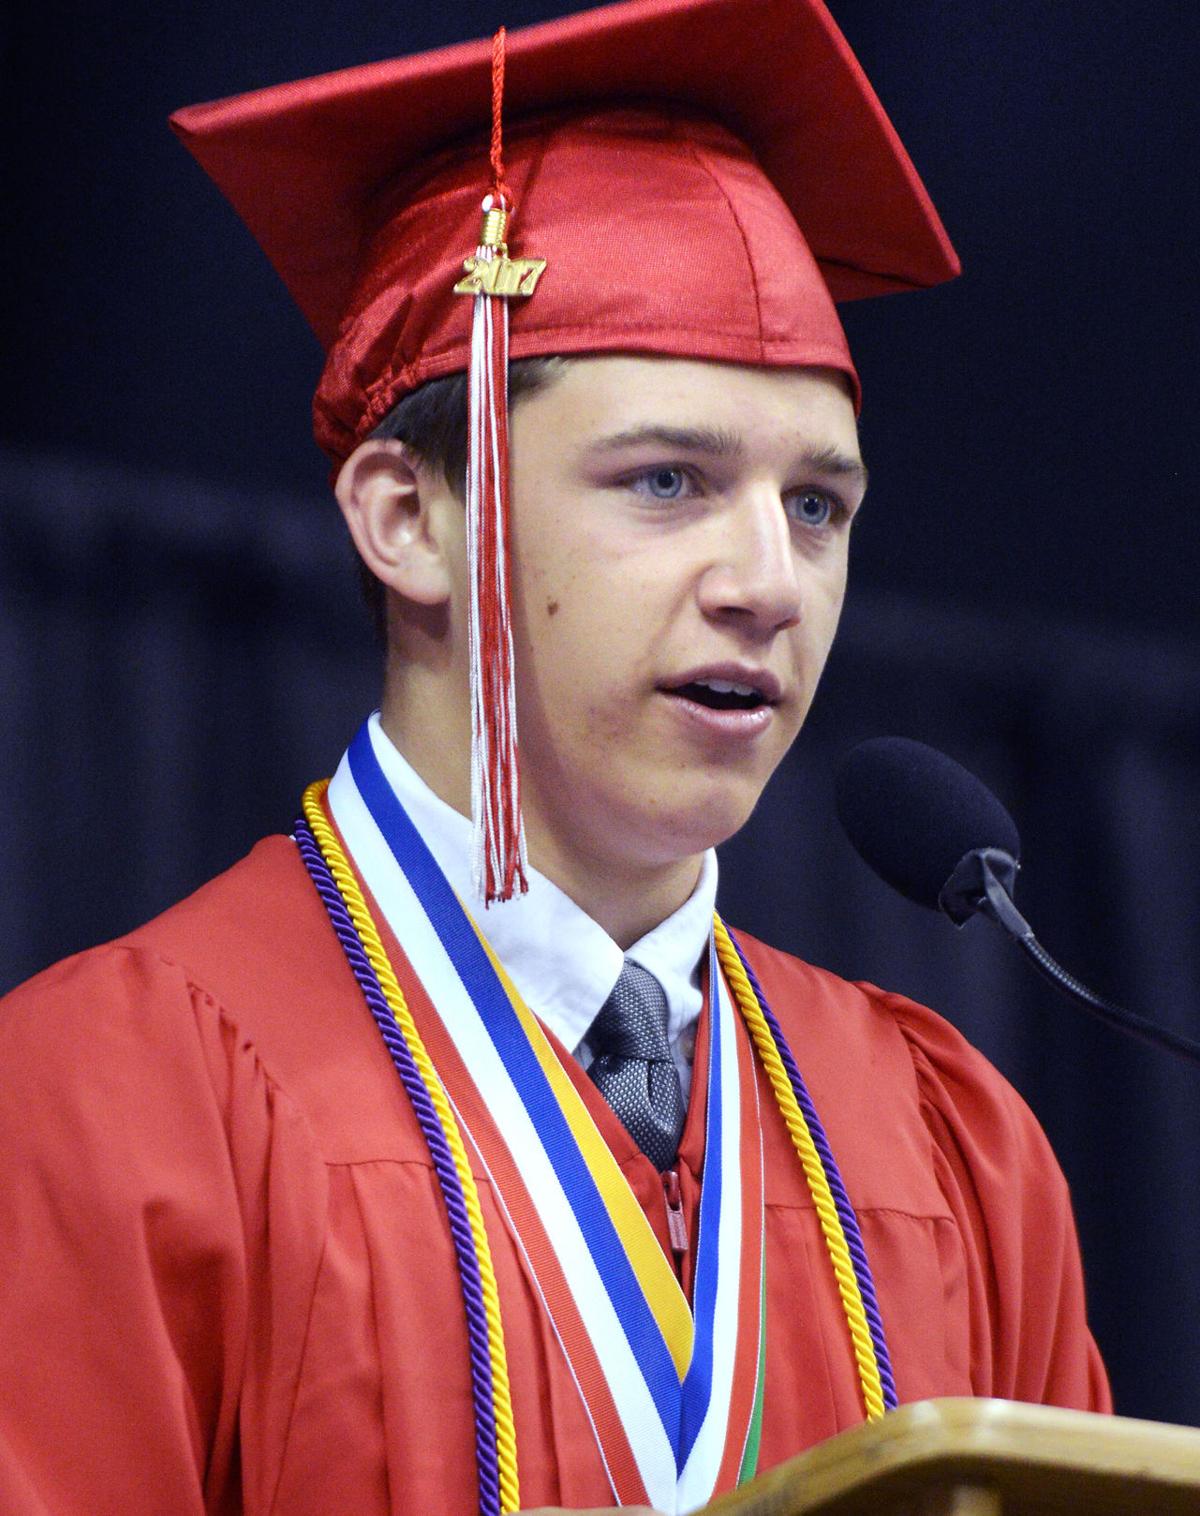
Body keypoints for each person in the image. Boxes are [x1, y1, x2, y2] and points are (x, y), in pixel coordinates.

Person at [0, 1, 1110, 1513]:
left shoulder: (952, 1145)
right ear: (408, 519)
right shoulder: (113, 1098)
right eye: (668, 479)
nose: (768, 582)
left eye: (817, 508)